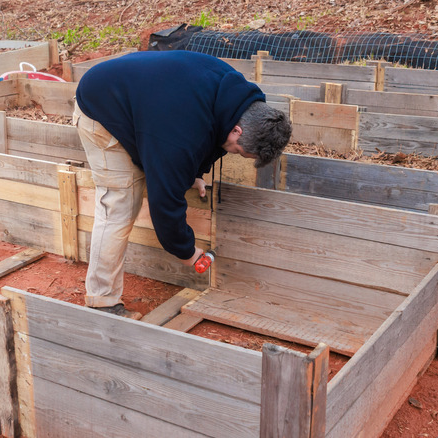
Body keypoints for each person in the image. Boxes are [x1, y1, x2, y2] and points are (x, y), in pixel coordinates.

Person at [73, 50, 291, 319]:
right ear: (238, 130)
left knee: (161, 166)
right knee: (119, 204)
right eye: (237, 150)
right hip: (101, 106)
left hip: (144, 101)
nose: (233, 152)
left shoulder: (237, 101)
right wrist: (186, 251)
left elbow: (208, 134)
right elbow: (164, 203)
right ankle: (103, 302)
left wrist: (196, 171)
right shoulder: (179, 131)